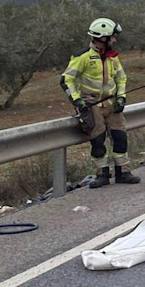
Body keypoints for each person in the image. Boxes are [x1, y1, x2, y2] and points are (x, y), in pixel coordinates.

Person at [60, 18, 140, 188]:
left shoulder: (113, 57)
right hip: (92, 106)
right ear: (103, 38)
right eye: (112, 37)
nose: (115, 40)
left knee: (120, 138)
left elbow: (121, 78)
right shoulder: (82, 57)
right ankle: (102, 174)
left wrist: (121, 98)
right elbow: (66, 80)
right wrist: (77, 101)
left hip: (112, 105)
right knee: (97, 141)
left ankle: (123, 172)